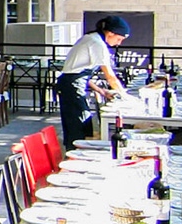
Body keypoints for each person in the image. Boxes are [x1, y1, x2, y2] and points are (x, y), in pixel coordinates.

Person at [56, 16, 130, 148]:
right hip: (72, 87)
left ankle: (73, 151)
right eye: (119, 39)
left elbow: (79, 74)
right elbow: (110, 77)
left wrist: (101, 91)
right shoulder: (97, 44)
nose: (119, 43)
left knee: (77, 123)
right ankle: (75, 153)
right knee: (78, 124)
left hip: (70, 84)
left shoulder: (90, 38)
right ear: (110, 33)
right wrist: (126, 97)